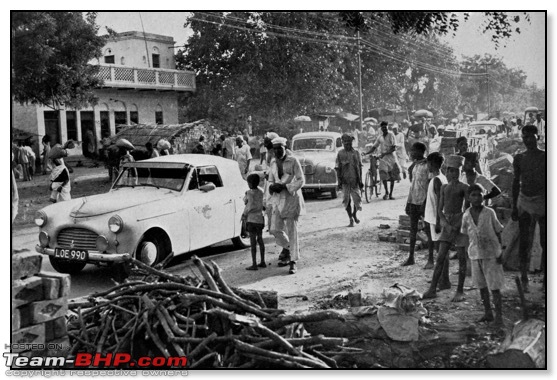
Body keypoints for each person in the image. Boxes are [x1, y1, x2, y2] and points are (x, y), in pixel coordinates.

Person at [423, 155, 469, 302]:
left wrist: (457, 225)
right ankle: (432, 289)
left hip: (460, 223)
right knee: (441, 257)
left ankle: (460, 291)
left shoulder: (464, 188)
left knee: (462, 259)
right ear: (447, 171)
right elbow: (439, 210)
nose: (453, 174)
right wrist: (445, 224)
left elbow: (466, 210)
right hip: (448, 223)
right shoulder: (444, 187)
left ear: (459, 172)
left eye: (456, 171)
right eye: (451, 171)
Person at [460, 184, 505, 325]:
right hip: (475, 254)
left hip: (491, 254)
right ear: (468, 198)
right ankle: (488, 312)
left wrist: (500, 251)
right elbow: (467, 235)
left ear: (483, 196)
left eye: (479, 195)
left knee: (494, 286)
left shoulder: (489, 212)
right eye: (473, 195)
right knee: (482, 286)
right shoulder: (466, 215)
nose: (477, 198)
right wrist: (467, 255)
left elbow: (498, 231)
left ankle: (499, 317)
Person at [511, 125, 546, 293]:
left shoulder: (545, 157)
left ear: (537, 137)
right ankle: (524, 278)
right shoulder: (519, 158)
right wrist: (513, 205)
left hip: (542, 199)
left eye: (531, 137)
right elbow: (515, 182)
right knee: (524, 242)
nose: (528, 140)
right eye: (525, 137)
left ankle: (547, 280)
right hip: (524, 200)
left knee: (546, 242)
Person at [267, 136, 305, 274]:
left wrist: (286, 187)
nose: (277, 151)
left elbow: (301, 180)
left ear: (285, 147)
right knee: (274, 229)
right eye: (275, 149)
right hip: (278, 200)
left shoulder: (293, 160)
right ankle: (291, 248)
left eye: (280, 149)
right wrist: (271, 188)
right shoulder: (272, 162)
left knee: (291, 231)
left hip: (291, 199)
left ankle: (293, 261)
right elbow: (271, 180)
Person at [402, 142, 429, 266]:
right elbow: (413, 186)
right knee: (413, 230)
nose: (411, 153)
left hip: (424, 202)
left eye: (413, 151)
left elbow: (429, 186)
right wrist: (408, 202)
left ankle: (431, 259)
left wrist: (425, 203)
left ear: (420, 151)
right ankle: (411, 257)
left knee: (429, 230)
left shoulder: (427, 165)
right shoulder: (415, 165)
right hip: (413, 201)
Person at [424, 152, 448, 270]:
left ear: (431, 164)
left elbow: (440, 202)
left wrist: (438, 221)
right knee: (438, 247)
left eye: (428, 163)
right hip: (434, 217)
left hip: (436, 218)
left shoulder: (437, 180)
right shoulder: (441, 178)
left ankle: (442, 277)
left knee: (439, 249)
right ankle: (442, 276)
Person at [364, 121, 400, 200]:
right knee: (383, 174)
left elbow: (394, 147)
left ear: (387, 127)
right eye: (383, 127)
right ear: (381, 128)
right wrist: (366, 153)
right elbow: (374, 147)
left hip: (391, 157)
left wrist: (385, 153)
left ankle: (391, 194)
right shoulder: (380, 137)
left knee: (392, 177)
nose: (384, 129)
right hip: (383, 158)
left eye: (385, 127)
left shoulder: (391, 135)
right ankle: (386, 192)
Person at [336, 133, 363, 227]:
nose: (348, 145)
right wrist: (339, 182)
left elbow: (360, 167)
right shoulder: (340, 153)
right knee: (347, 201)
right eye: (346, 143)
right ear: (343, 143)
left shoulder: (356, 153)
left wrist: (361, 180)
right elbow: (338, 168)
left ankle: (354, 214)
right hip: (345, 181)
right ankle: (350, 218)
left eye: (349, 143)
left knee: (357, 199)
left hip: (355, 180)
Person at [243, 173, 266, 271]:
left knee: (253, 242)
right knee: (260, 240)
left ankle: (254, 264)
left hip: (251, 219)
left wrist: (244, 215)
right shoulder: (262, 191)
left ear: (250, 183)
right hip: (260, 218)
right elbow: (264, 204)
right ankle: (263, 261)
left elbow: (247, 204)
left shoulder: (248, 193)